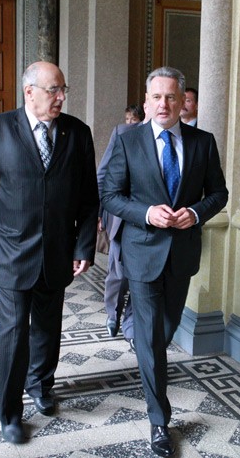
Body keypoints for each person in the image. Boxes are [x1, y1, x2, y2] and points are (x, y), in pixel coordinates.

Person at [0, 61, 99, 445]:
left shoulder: (77, 133)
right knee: (15, 329)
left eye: (63, 89)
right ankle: (10, 412)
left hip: (57, 252)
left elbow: (89, 198)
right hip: (10, 251)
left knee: (48, 327)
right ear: (29, 91)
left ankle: (42, 384)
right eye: (53, 90)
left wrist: (84, 244)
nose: (61, 97)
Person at [101, 66, 228, 457]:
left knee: (163, 330)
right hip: (142, 254)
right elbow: (109, 194)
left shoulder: (203, 142)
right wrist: (145, 213)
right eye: (156, 97)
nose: (163, 104)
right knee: (152, 335)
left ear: (182, 101)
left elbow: (219, 193)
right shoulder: (128, 141)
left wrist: (194, 213)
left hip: (182, 254)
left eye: (171, 97)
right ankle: (159, 420)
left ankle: (145, 346)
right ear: (146, 102)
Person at [97, 102, 151, 350]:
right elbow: (103, 175)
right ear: (146, 104)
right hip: (121, 218)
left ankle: (131, 327)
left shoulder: (178, 138)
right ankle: (113, 314)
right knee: (118, 274)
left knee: (142, 278)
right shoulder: (123, 133)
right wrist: (98, 213)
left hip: (153, 223)